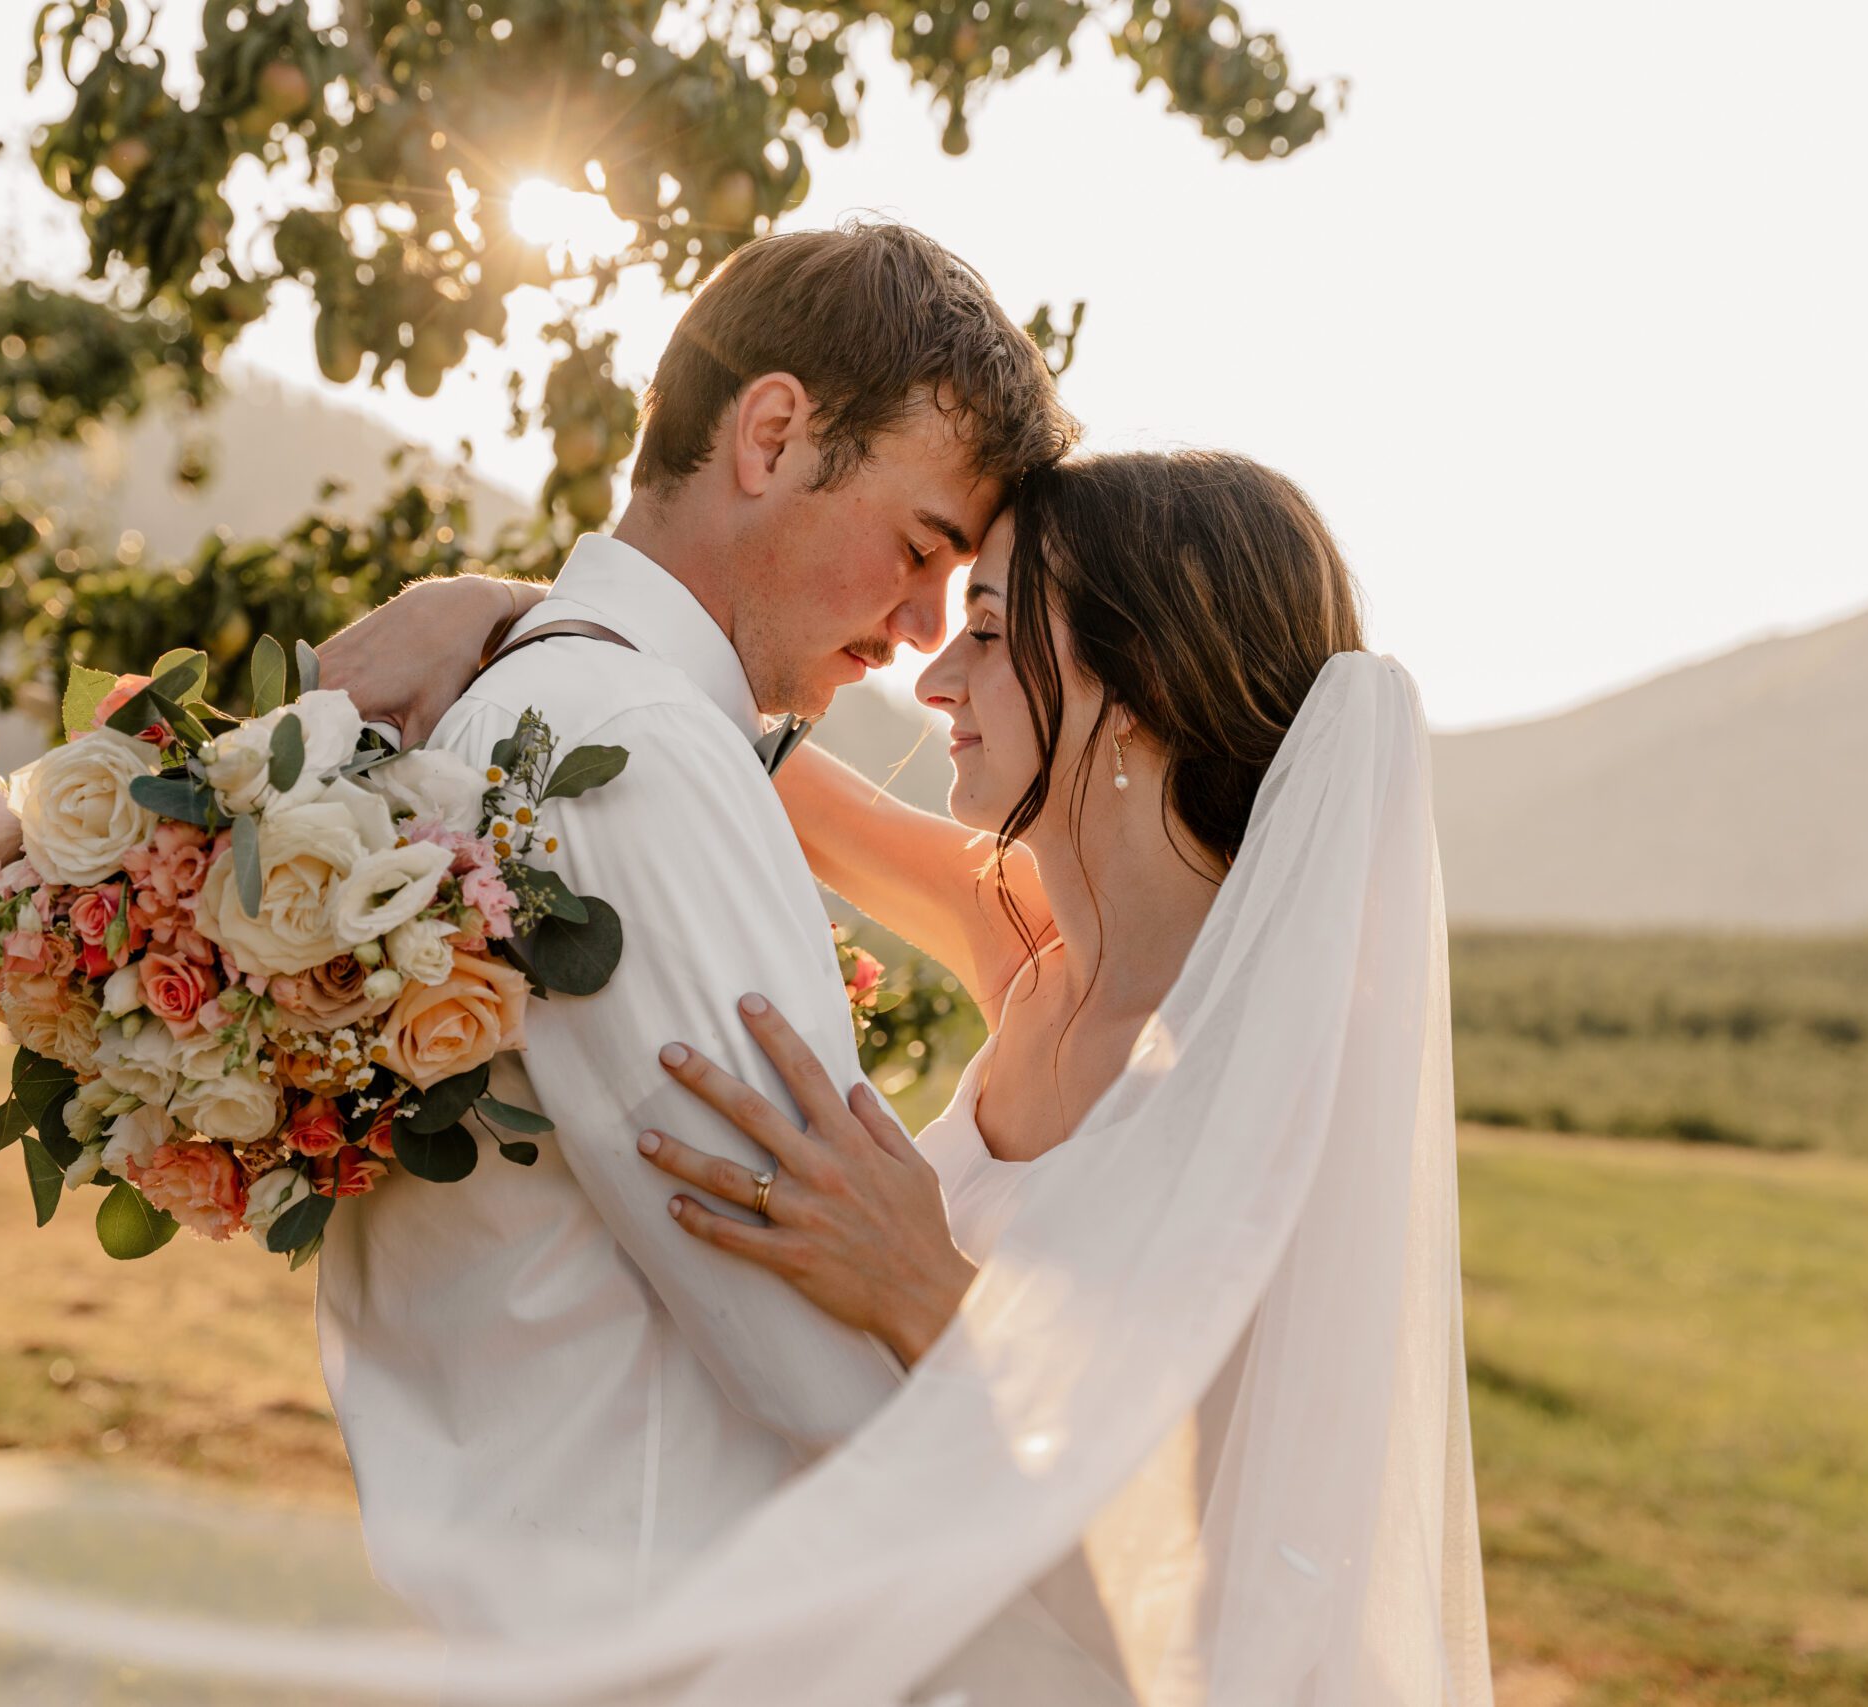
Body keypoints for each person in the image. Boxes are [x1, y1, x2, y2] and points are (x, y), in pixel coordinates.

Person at [324, 448, 1493, 1704]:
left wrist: (926, 1292)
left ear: (1139, 688)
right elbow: (698, 720)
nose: (934, 679)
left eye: (987, 632)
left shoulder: (1278, 1068)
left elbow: (1223, 1566)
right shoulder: (1030, 937)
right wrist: (497, 610)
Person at [307, 217, 1083, 1647]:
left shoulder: (541, 703)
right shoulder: (637, 748)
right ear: (773, 435)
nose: (927, 627)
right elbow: (818, 1346)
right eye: (922, 548)